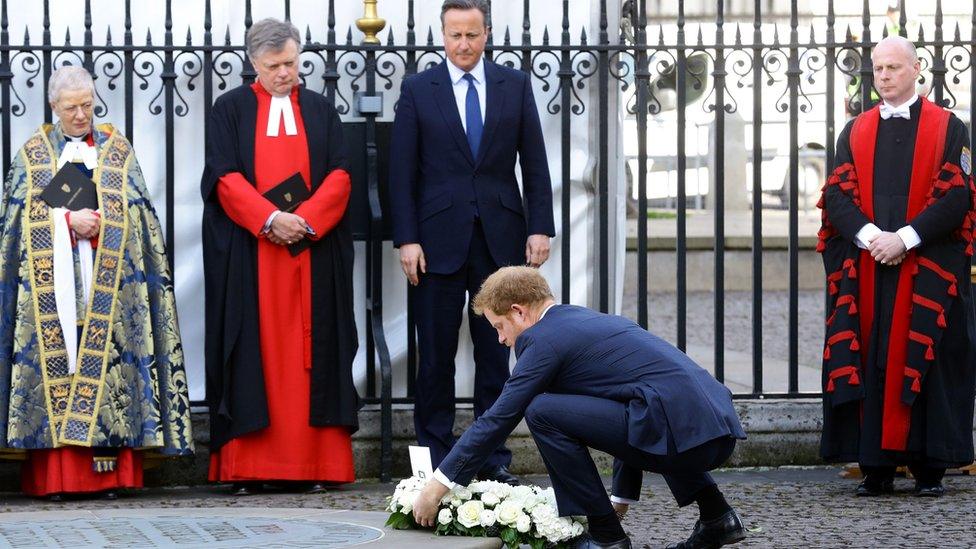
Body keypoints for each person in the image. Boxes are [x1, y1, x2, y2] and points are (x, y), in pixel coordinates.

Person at [411, 267, 747, 549]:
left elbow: (498, 418)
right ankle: (718, 517)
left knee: (541, 411)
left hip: (683, 437)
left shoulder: (542, 340)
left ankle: (605, 537)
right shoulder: (583, 321)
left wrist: (438, 486)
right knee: (642, 408)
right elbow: (634, 399)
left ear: (518, 311)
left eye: (499, 327)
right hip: (715, 430)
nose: (501, 339)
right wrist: (621, 498)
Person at [0, 66, 193, 499]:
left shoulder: (117, 150)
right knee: (60, 365)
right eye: (72, 108)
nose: (82, 115)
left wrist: (106, 221)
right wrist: (67, 220)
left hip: (110, 283)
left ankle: (112, 478)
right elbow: (13, 222)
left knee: (110, 369)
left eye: (87, 104)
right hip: (54, 293)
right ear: (54, 107)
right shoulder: (32, 154)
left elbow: (142, 215)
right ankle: (57, 479)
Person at [389, 0, 555, 485]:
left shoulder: (514, 85)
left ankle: (491, 459)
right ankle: (438, 462)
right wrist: (407, 239)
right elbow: (402, 173)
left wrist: (539, 226)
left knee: (495, 355)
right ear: (442, 35)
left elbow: (536, 163)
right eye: (454, 35)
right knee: (435, 357)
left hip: (500, 241)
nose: (463, 45)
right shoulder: (419, 89)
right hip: (435, 244)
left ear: (488, 33)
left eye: (472, 34)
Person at [201, 17, 360, 495]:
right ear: (254, 64)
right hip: (253, 257)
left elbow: (342, 174)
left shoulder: (319, 108)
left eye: (291, 63)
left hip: (310, 252)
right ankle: (248, 468)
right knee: (254, 351)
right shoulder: (228, 109)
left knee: (313, 357)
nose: (284, 73)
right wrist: (271, 219)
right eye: (274, 66)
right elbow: (222, 177)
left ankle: (316, 465)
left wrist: (304, 220)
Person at [817, 35, 976, 498]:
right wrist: (871, 239)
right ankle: (876, 468)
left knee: (930, 362)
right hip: (869, 267)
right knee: (871, 359)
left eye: (892, 68)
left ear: (916, 69)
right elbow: (836, 196)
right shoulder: (854, 131)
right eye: (878, 69)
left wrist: (904, 238)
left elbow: (958, 196)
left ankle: (931, 469)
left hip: (926, 265)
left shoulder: (950, 128)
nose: (883, 76)